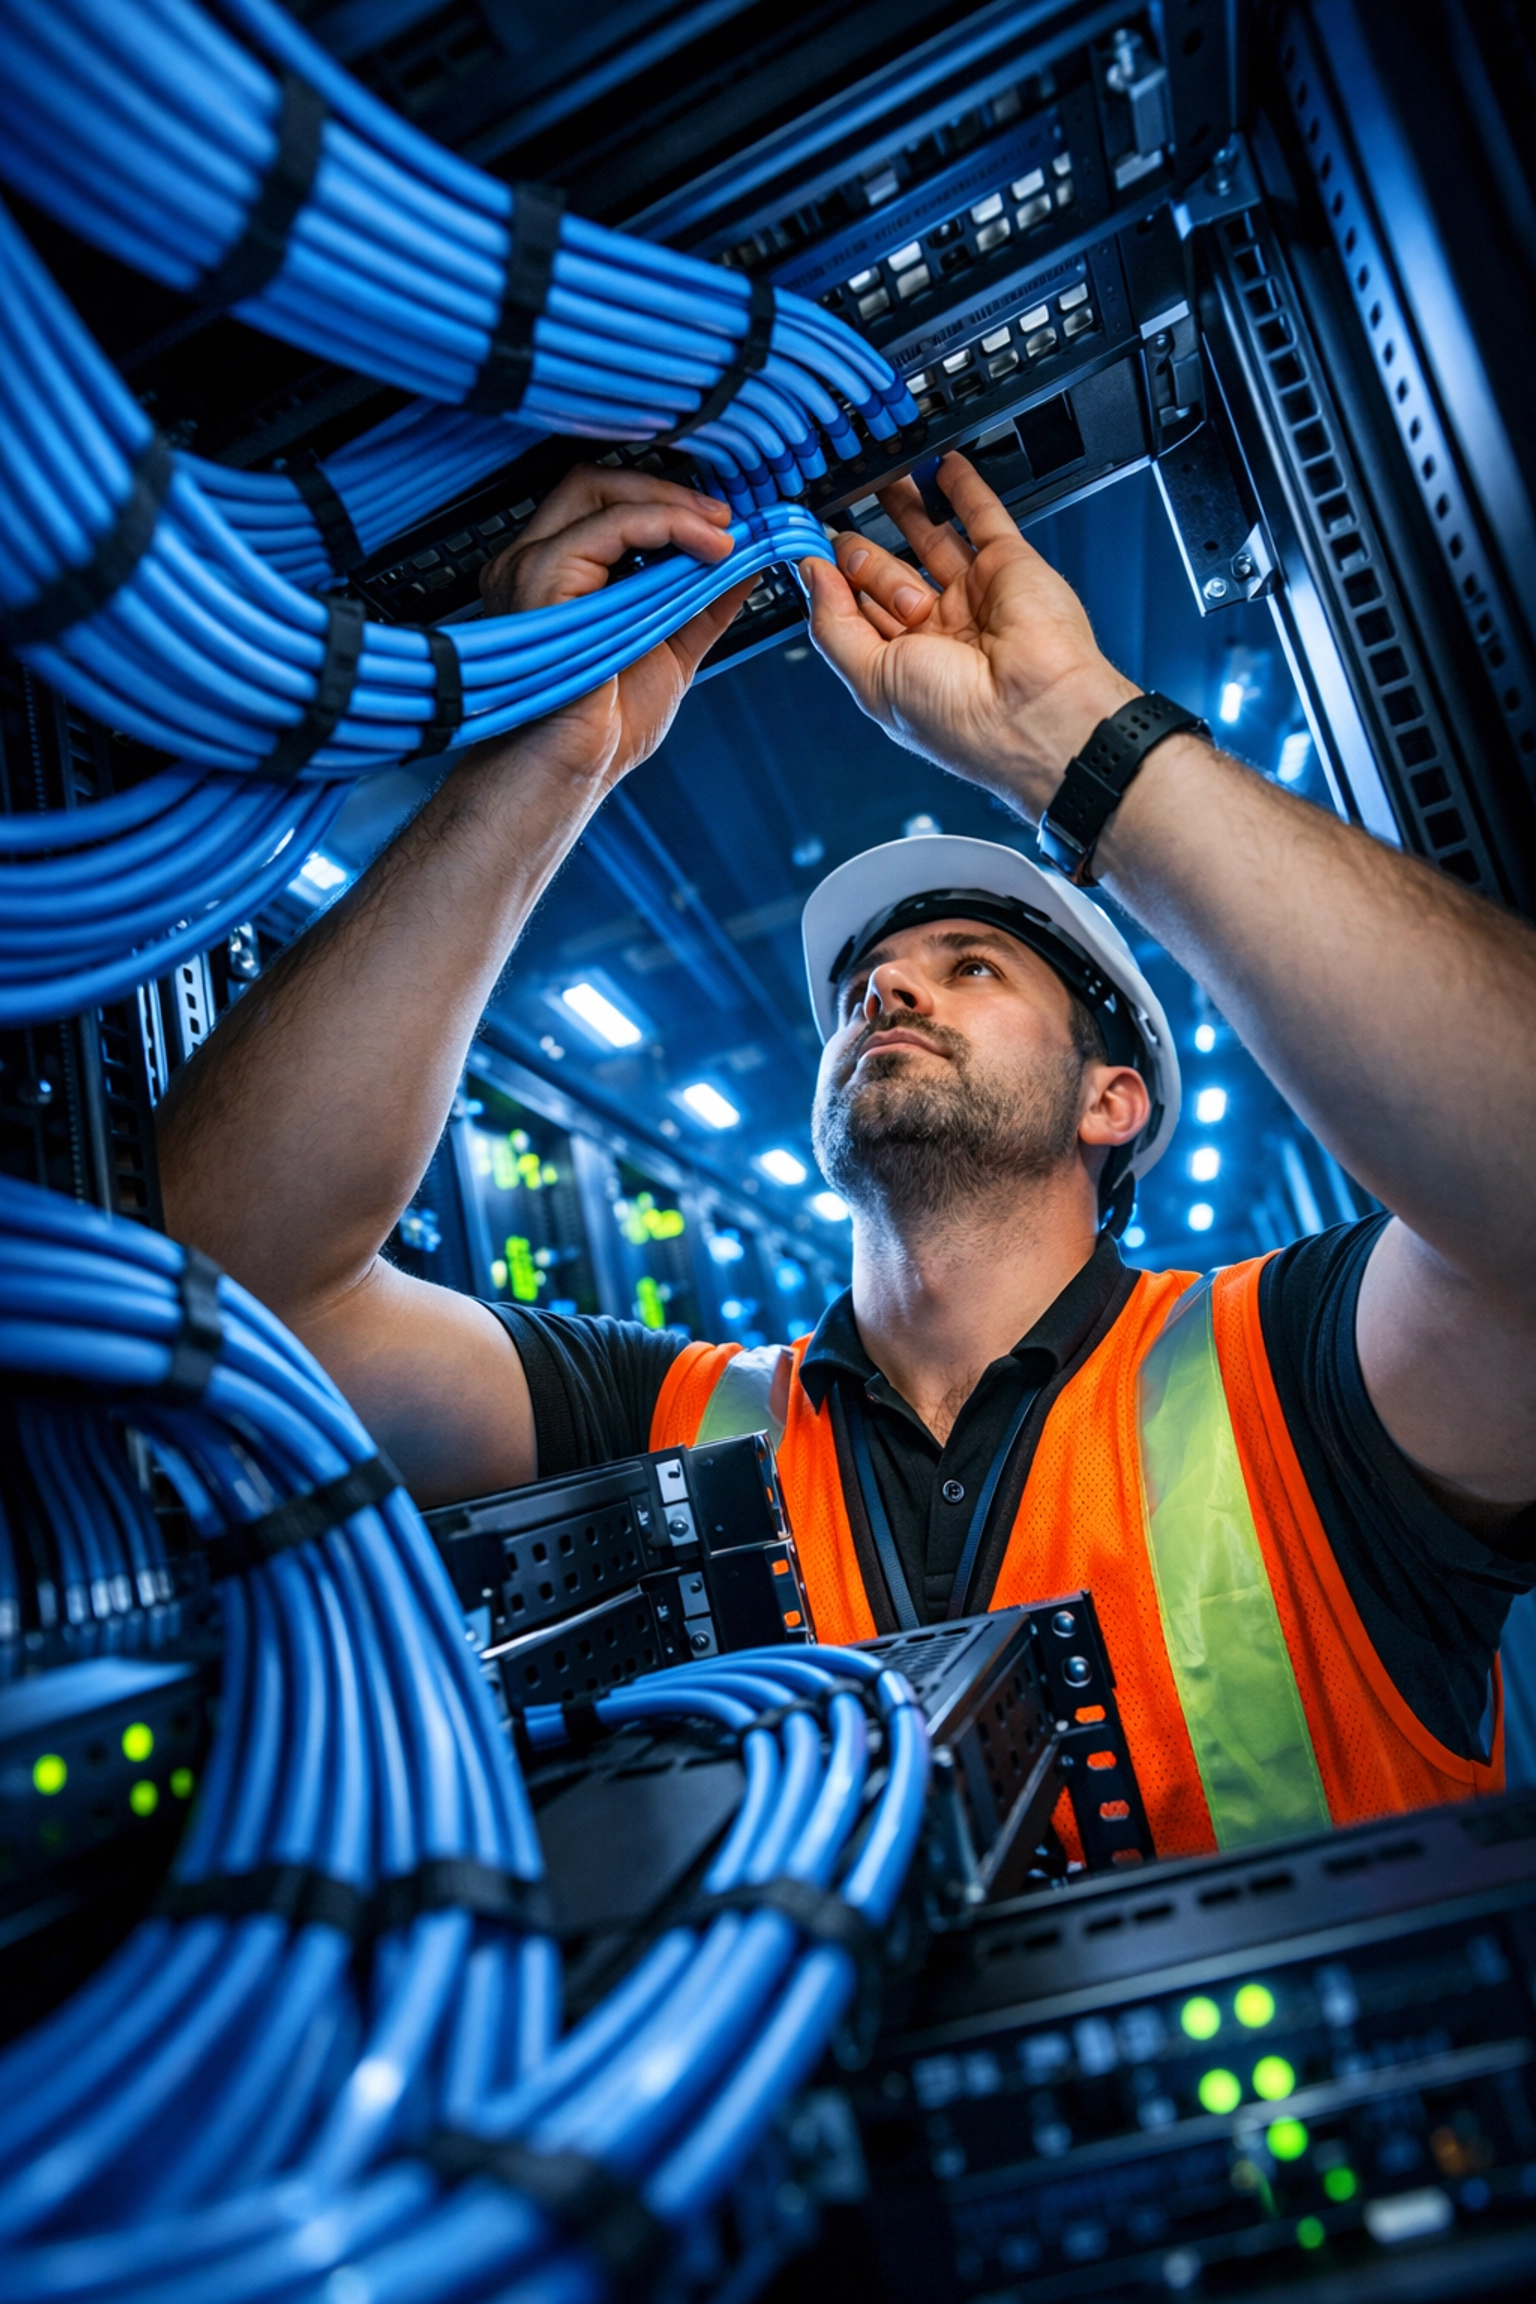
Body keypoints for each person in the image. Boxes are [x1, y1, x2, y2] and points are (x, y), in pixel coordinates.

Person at [158, 453, 1536, 1861]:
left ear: (1110, 1101)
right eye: (865, 984)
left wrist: (1074, 742)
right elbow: (238, 1299)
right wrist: (537, 763)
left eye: (971, 966)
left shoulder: (1292, 1377)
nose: (886, 991)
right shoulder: (687, 1424)